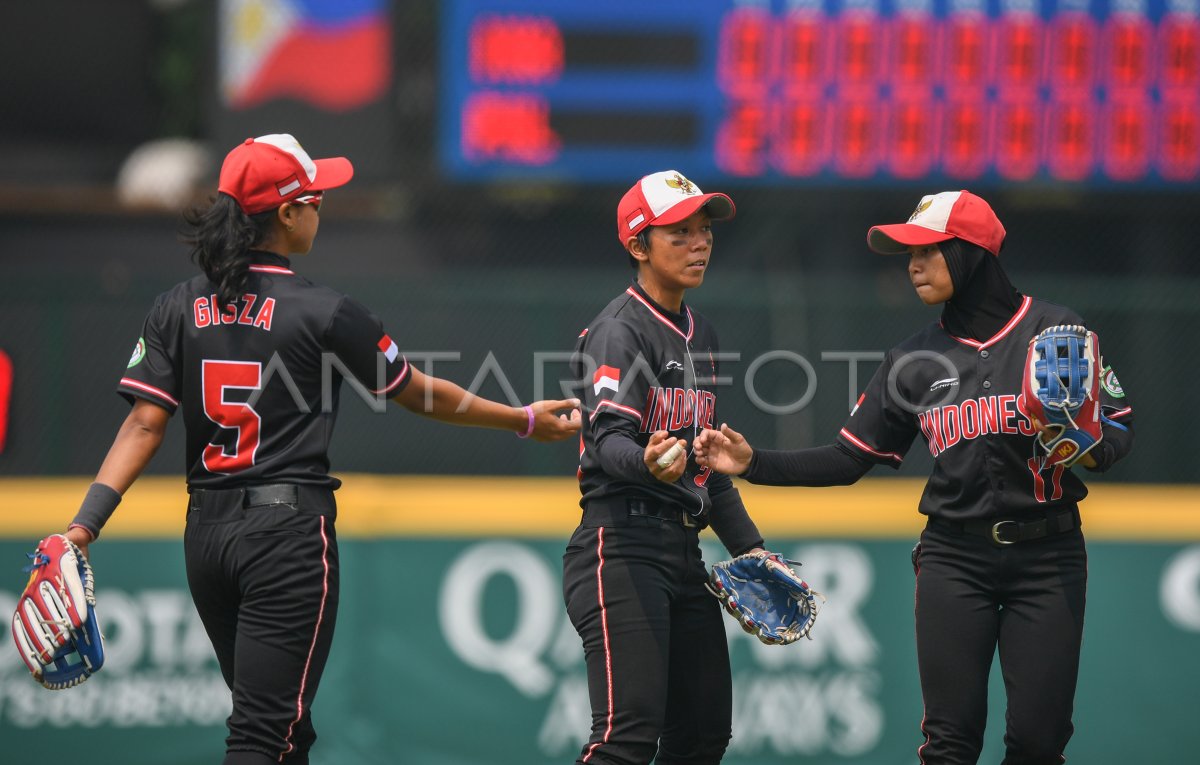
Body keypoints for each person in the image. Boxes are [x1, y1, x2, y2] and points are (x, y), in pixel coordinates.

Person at [56, 133, 581, 765]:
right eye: (313, 196)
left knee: (283, 731)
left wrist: (83, 526)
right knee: (263, 732)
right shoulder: (325, 311)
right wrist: (521, 419)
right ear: (285, 213)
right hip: (284, 539)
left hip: (206, 539)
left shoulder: (178, 306)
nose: (321, 205)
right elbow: (416, 393)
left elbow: (144, 425)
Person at [694, 190, 1134, 765]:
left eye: (928, 251)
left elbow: (1118, 435)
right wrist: (754, 464)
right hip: (955, 560)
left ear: (972, 251)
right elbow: (848, 458)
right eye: (909, 254)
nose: (913, 266)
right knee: (949, 743)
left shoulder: (1056, 331)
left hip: (1048, 557)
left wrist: (1085, 442)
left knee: (1039, 741)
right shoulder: (911, 360)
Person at [563, 170, 770, 765]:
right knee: (625, 740)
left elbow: (707, 465)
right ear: (638, 245)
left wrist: (751, 550)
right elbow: (608, 441)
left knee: (704, 736)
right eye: (678, 233)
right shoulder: (619, 331)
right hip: (620, 546)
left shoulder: (700, 333)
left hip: (683, 551)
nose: (699, 243)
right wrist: (648, 464)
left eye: (704, 231)